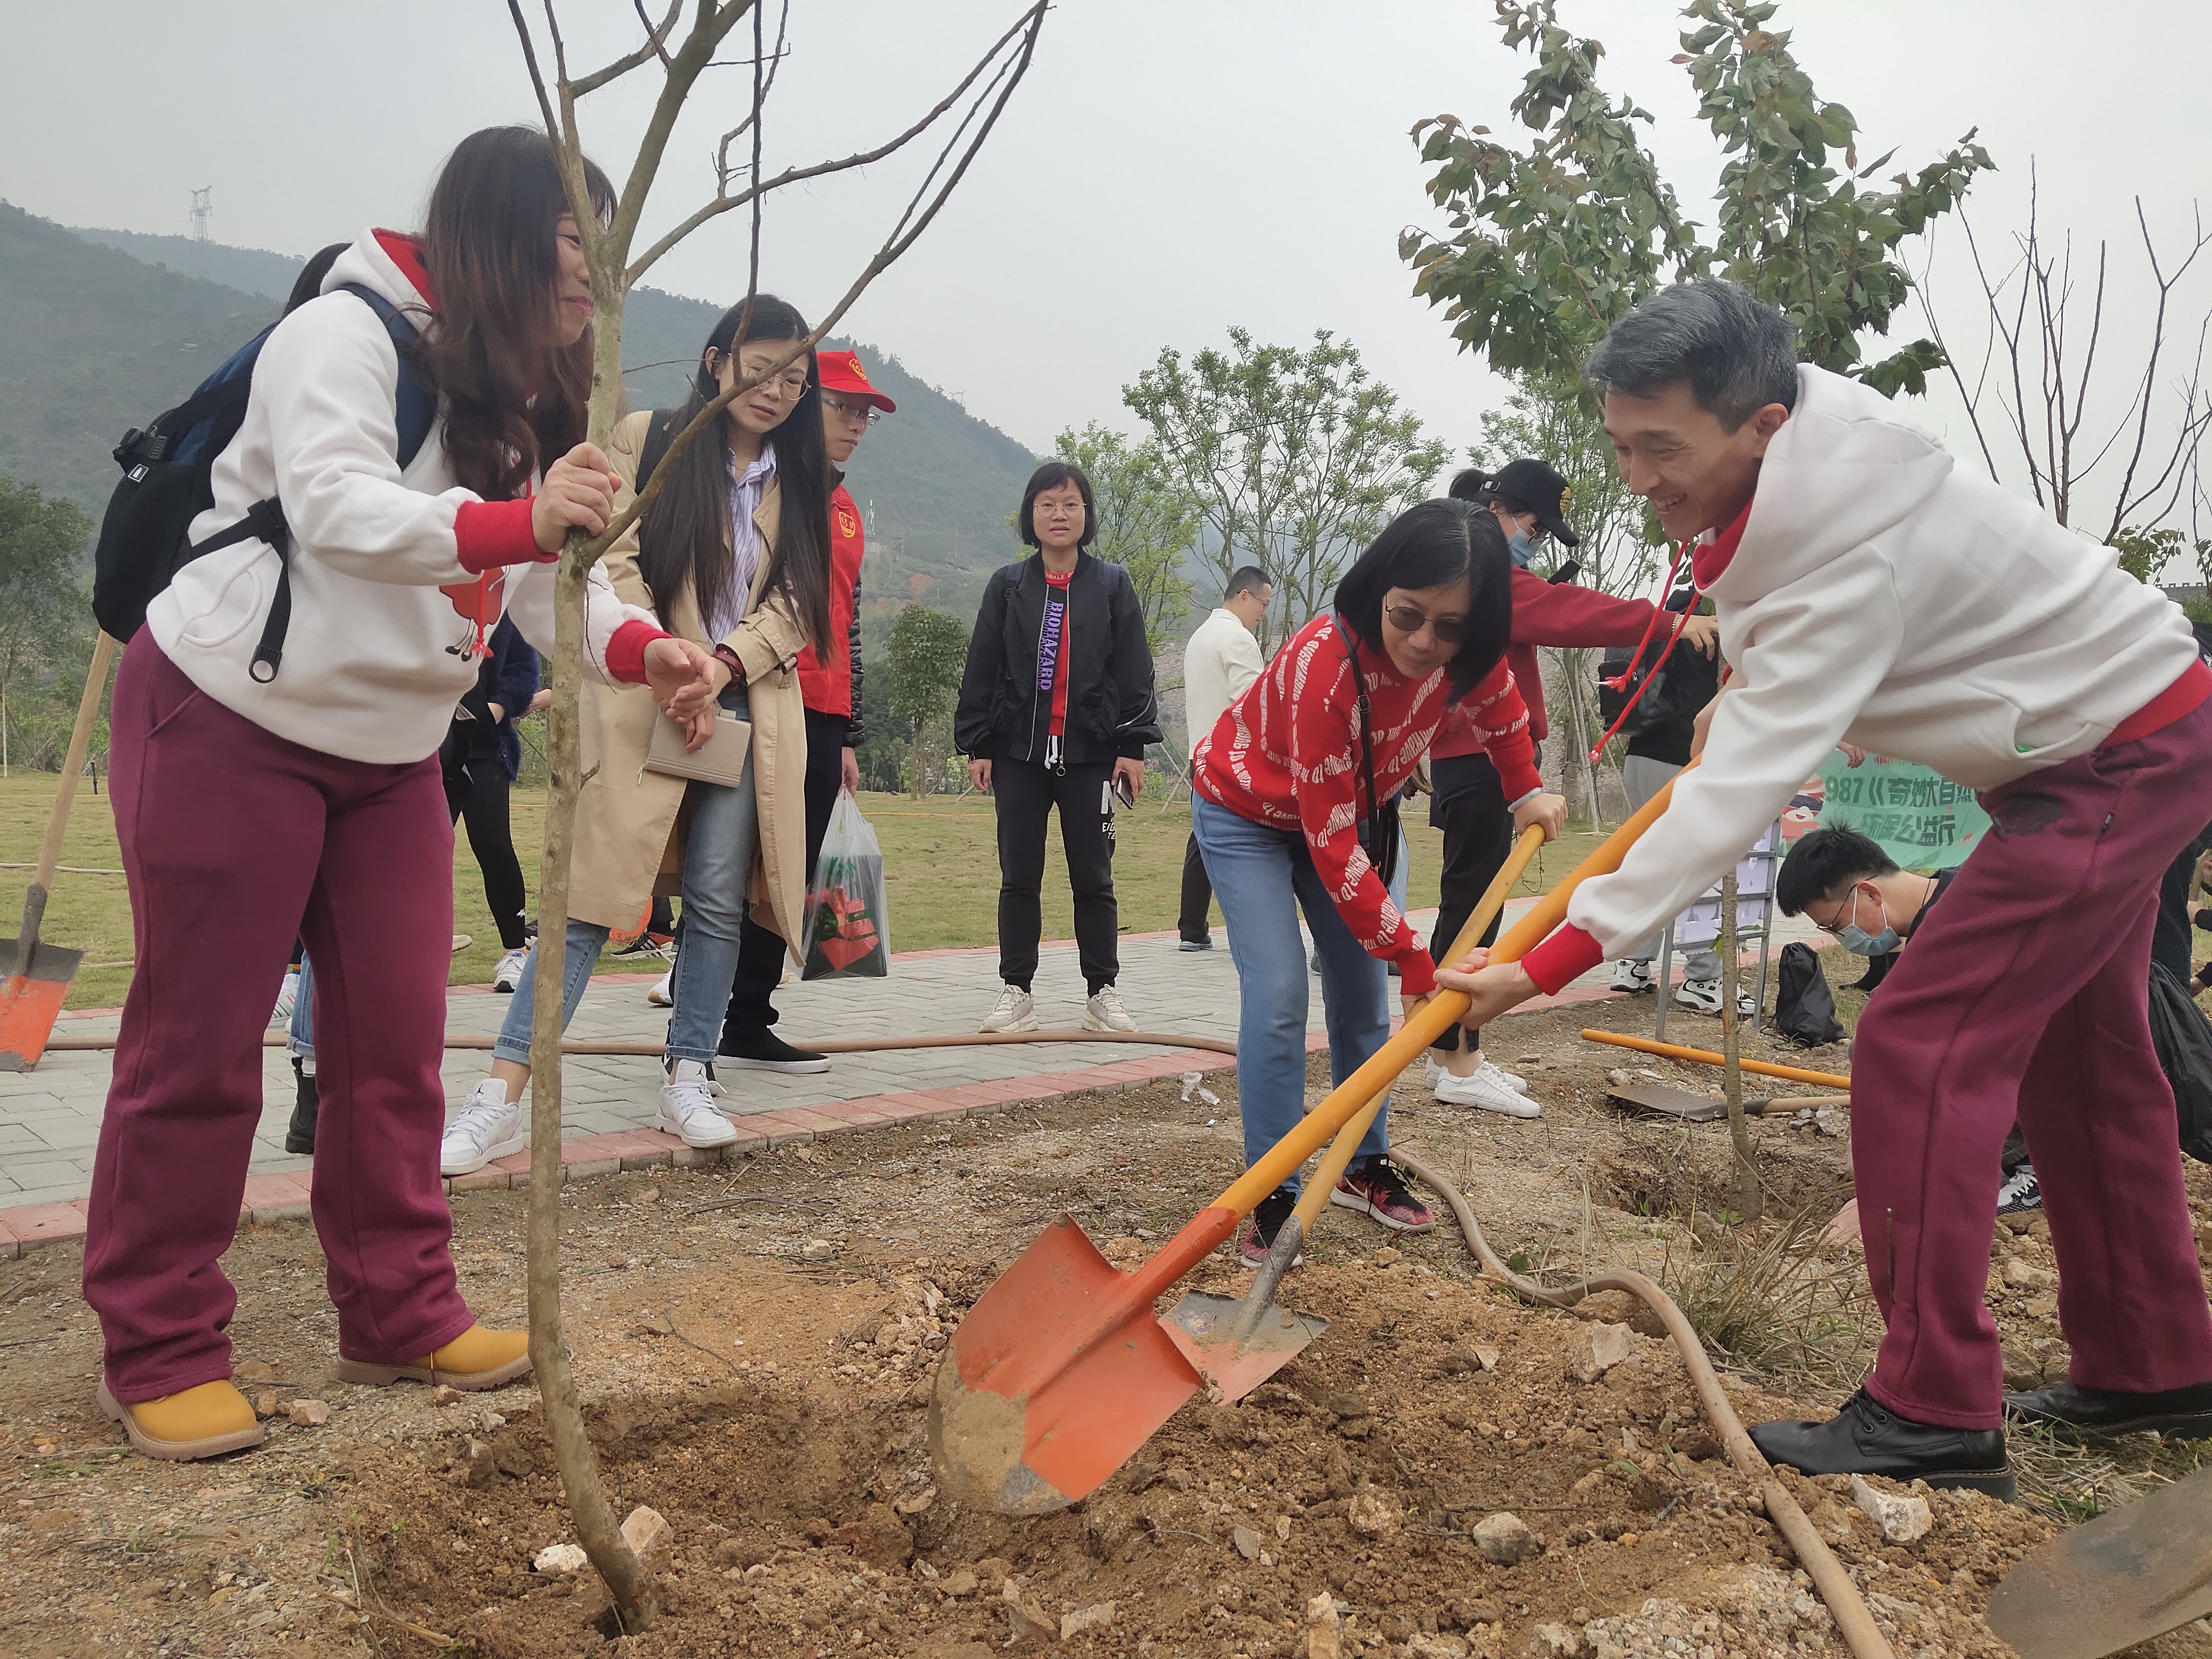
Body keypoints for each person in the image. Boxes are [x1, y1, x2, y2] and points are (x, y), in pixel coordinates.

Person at [1443, 277, 2212, 1492]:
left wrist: (1543, 960)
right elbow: (1777, 683)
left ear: (1758, 423)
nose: (1639, 477)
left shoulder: (1841, 554)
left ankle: (1932, 1410)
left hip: (2110, 761)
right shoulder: (1809, 476)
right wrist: (1743, 700)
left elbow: (1728, 803)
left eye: (1663, 448)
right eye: (1620, 446)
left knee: (1919, 1042)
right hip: (2127, 738)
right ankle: (2157, 1365)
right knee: (2086, 1053)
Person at [83, 126, 719, 1462]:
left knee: (391, 1050)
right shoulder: (345, 334)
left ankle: (399, 1310)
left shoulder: (527, 399)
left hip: (389, 758)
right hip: (226, 716)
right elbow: (337, 510)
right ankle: (158, 1344)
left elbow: (547, 583)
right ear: (498, 233)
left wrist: (637, 647)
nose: (593, 284)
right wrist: (517, 524)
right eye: (574, 247)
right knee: (197, 1052)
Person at [440, 294, 835, 1175]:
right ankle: (502, 1092)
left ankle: (688, 1073)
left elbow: (799, 604)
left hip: (742, 708)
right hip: (642, 693)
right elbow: (607, 562)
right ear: (716, 360)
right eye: (762, 368)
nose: (776, 392)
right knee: (590, 895)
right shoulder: (651, 442)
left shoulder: (802, 480)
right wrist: (670, 658)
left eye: (795, 381)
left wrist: (721, 669)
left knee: (718, 897)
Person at [1194, 499, 1567, 1265]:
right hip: (1250, 816)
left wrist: (1524, 789)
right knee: (1278, 1000)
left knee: (1364, 1005)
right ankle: (1271, 1190)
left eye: (1452, 626)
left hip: (1350, 814)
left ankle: (1364, 1165)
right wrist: (1413, 954)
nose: (1426, 642)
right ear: (1377, 591)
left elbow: (1503, 715)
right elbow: (1332, 849)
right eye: (1408, 616)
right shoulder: (1323, 669)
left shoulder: (1469, 657)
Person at [1422, 461, 1723, 1118]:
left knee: (1477, 903)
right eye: (1532, 526)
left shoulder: (1483, 566)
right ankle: (1455, 1057)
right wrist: (1664, 622)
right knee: (1474, 907)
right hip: (1480, 757)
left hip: (1479, 755)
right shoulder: (1485, 570)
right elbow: (1561, 611)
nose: (1534, 540)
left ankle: (1453, 1051)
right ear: (1498, 508)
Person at [707, 348, 889, 1072]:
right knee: (733, 863)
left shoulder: (845, 510)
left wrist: (849, 733)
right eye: (843, 407)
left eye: (865, 414)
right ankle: (706, 1015)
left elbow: (847, 625)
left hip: (823, 713)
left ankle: (748, 1017)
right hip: (761, 696)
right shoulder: (768, 487)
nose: (856, 424)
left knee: (790, 875)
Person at [955, 461, 1161, 1035]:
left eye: (1070, 504)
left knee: (1094, 877)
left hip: (1091, 757)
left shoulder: (1113, 584)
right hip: (1019, 757)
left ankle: (1103, 992)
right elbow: (984, 666)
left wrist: (1132, 747)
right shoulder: (1008, 585)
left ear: (1086, 514)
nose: (1059, 515)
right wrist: (978, 743)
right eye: (1047, 504)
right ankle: (1016, 990)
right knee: (1019, 875)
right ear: (1031, 515)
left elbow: (1134, 669)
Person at [1775, 825, 2042, 1212]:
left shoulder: (1961, 928)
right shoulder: (1953, 891)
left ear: (1868, 892)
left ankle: (2034, 1163)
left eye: (1836, 926)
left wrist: (1884, 1170)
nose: (1842, 939)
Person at [1601, 561, 1730, 1009]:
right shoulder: (1716, 615)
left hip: (1641, 750)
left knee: (1650, 859)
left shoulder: (1668, 609)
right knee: (1696, 867)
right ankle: (1702, 978)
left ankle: (1633, 963)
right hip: (1683, 756)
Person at [447, 613, 547, 995]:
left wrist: (496, 709)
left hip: (486, 746)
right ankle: (419, 948)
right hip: (427, 742)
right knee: (425, 851)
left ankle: (514, 950)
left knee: (493, 845)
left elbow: (524, 670)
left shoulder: (508, 605)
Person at [1176, 566, 1272, 951]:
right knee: (1249, 845)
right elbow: (1254, 705)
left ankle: (1192, 928)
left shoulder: (1201, 636)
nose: (1264, 612)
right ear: (1245, 596)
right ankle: (1251, 934)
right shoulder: (1238, 639)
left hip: (1202, 751)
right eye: (1263, 603)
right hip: (1233, 759)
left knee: (1202, 838)